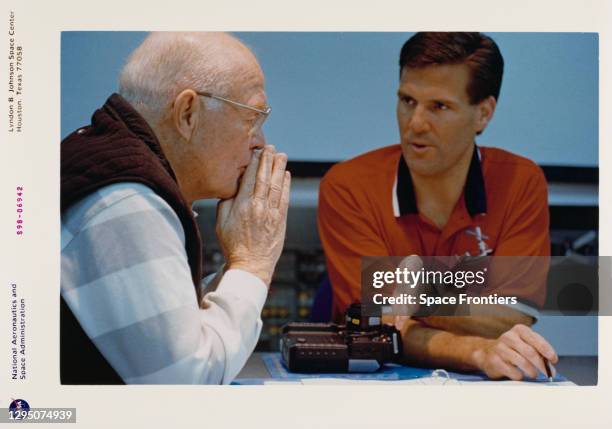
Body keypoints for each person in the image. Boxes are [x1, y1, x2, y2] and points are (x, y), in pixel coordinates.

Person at [318, 32, 558, 380]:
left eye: (439, 107)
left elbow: (513, 314)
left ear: (483, 114)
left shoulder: (522, 182)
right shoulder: (348, 186)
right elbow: (385, 325)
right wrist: (478, 349)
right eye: (407, 100)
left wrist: (424, 291)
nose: (414, 124)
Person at [60, 32, 291, 384]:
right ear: (187, 113)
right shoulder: (126, 200)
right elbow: (184, 384)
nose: (260, 142)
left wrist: (237, 270)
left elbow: (170, 332)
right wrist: (253, 264)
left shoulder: (111, 168)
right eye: (252, 117)